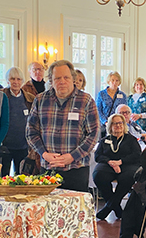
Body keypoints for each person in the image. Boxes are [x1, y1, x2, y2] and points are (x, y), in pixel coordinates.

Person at [26, 60, 100, 192]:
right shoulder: (40, 100)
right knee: (47, 211)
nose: (62, 81)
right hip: (48, 168)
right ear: (51, 81)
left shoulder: (86, 101)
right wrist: (44, 154)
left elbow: (94, 134)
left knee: (76, 211)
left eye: (66, 77)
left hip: (77, 168)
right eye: (57, 78)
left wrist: (72, 156)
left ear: (73, 79)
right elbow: (31, 132)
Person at [93, 113, 141, 220]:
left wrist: (120, 162)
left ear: (124, 125)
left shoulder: (131, 139)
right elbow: (97, 156)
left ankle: (108, 207)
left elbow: (137, 155)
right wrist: (110, 162)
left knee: (128, 177)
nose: (118, 125)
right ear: (110, 126)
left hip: (127, 165)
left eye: (120, 123)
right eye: (114, 123)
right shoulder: (105, 140)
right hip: (108, 165)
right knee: (98, 175)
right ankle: (117, 208)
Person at [0, 67, 35, 176]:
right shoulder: (1, 96)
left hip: (23, 145)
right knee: (4, 177)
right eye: (12, 79)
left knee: (21, 177)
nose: (16, 82)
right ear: (7, 80)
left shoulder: (29, 98)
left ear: (22, 81)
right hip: (4, 145)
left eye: (18, 79)